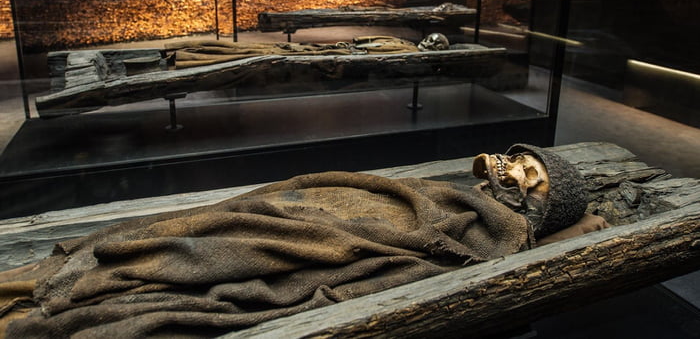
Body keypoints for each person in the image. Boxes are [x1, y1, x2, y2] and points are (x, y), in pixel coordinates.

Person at [0, 144, 608, 338]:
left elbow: (485, 243)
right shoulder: (461, 192)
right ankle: (76, 279)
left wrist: (568, 228)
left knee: (248, 257)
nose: (508, 166)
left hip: (377, 230)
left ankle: (81, 298)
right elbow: (349, 189)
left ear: (538, 201)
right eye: (514, 157)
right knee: (252, 215)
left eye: (529, 173)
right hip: (343, 208)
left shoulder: (503, 223)